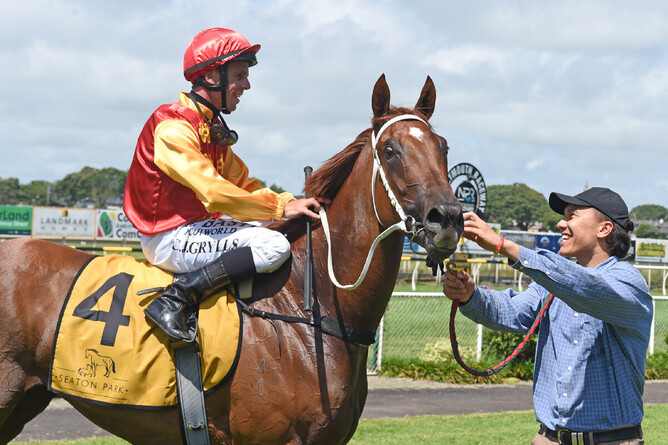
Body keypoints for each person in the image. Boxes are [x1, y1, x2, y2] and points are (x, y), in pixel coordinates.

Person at [123, 27, 322, 343]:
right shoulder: (173, 125)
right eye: (240, 75)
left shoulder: (211, 129)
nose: (247, 84)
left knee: (280, 224)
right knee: (274, 246)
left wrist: (288, 204)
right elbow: (215, 192)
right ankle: (175, 299)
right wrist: (281, 207)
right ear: (213, 75)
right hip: (167, 237)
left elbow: (243, 184)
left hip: (196, 229)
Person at [443, 187, 651, 445]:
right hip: (549, 439)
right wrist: (470, 295)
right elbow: (512, 311)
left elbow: (587, 288)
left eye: (572, 215)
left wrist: (504, 245)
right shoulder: (551, 285)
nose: (560, 223)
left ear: (604, 229)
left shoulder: (628, 282)